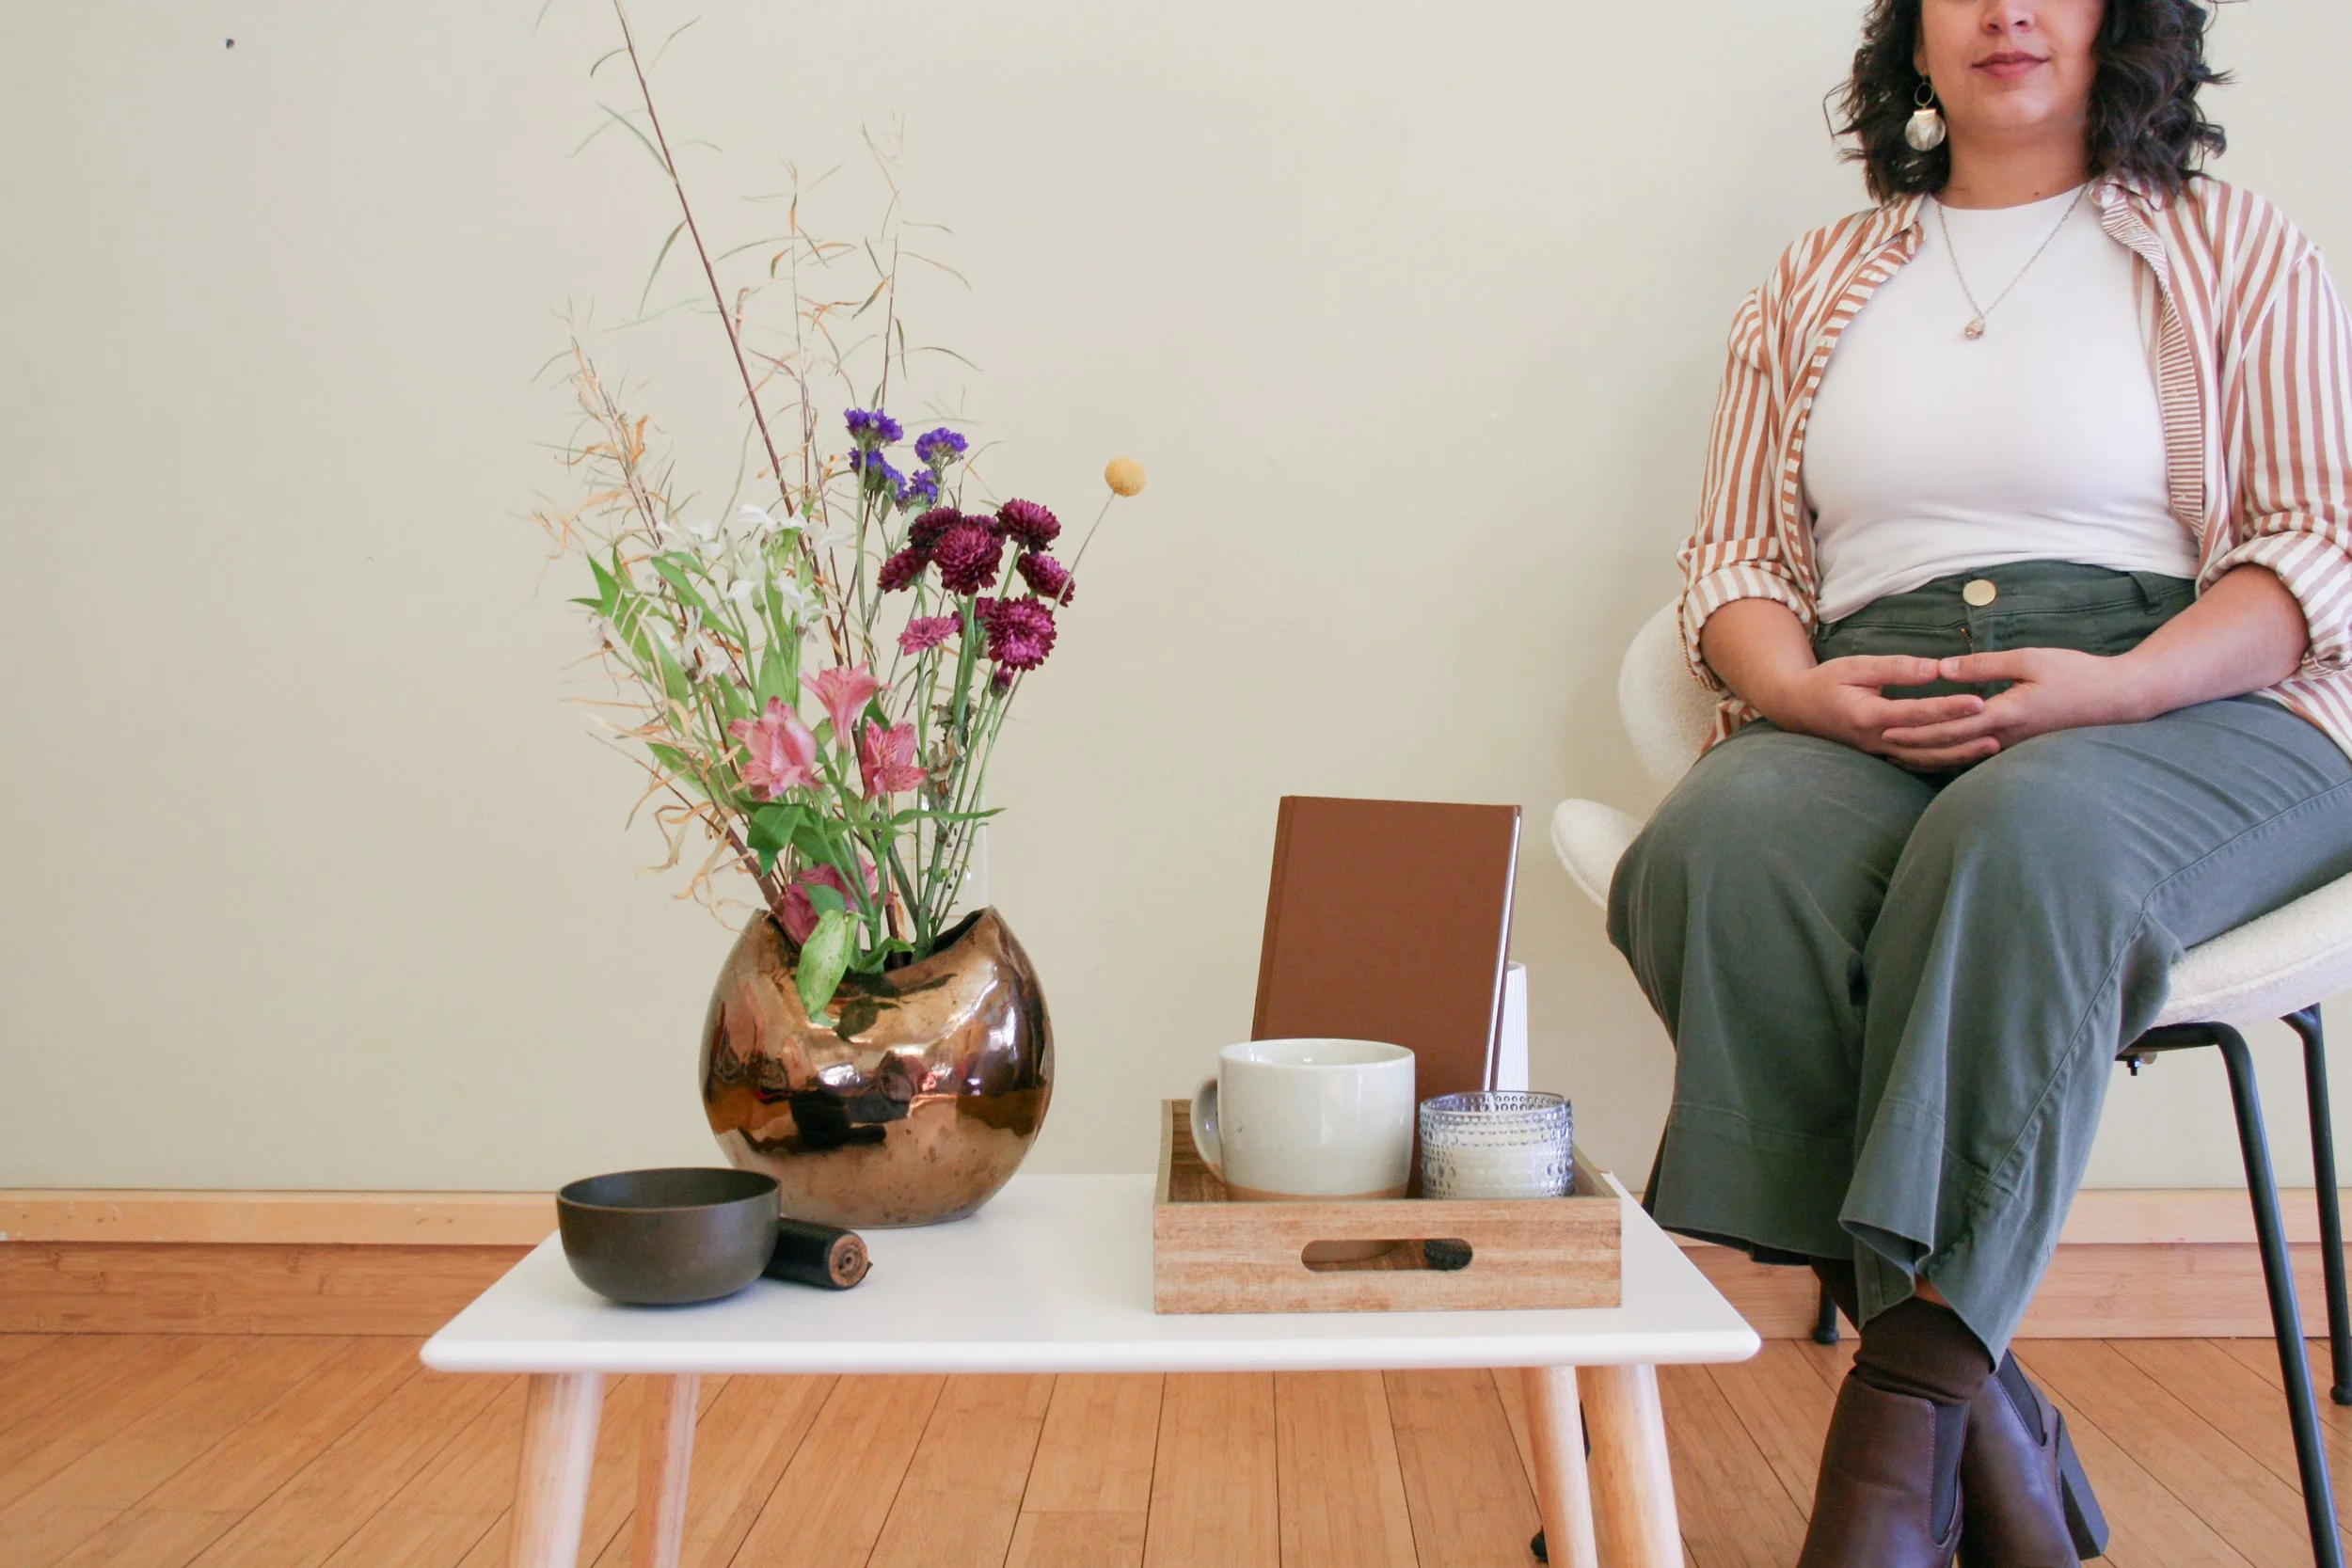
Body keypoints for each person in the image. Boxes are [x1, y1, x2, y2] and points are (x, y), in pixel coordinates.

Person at [1607, 2, 2352, 1564]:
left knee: (2022, 840)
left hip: (2199, 693)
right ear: (1916, 37)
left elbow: (2312, 546)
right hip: (1881, 693)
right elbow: (1736, 561)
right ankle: (1984, 1409)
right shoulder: (1818, 280)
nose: (2009, 10)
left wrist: (2125, 683)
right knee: (1718, 847)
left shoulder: (2236, 246)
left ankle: (1891, 1457)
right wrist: (1802, 689)